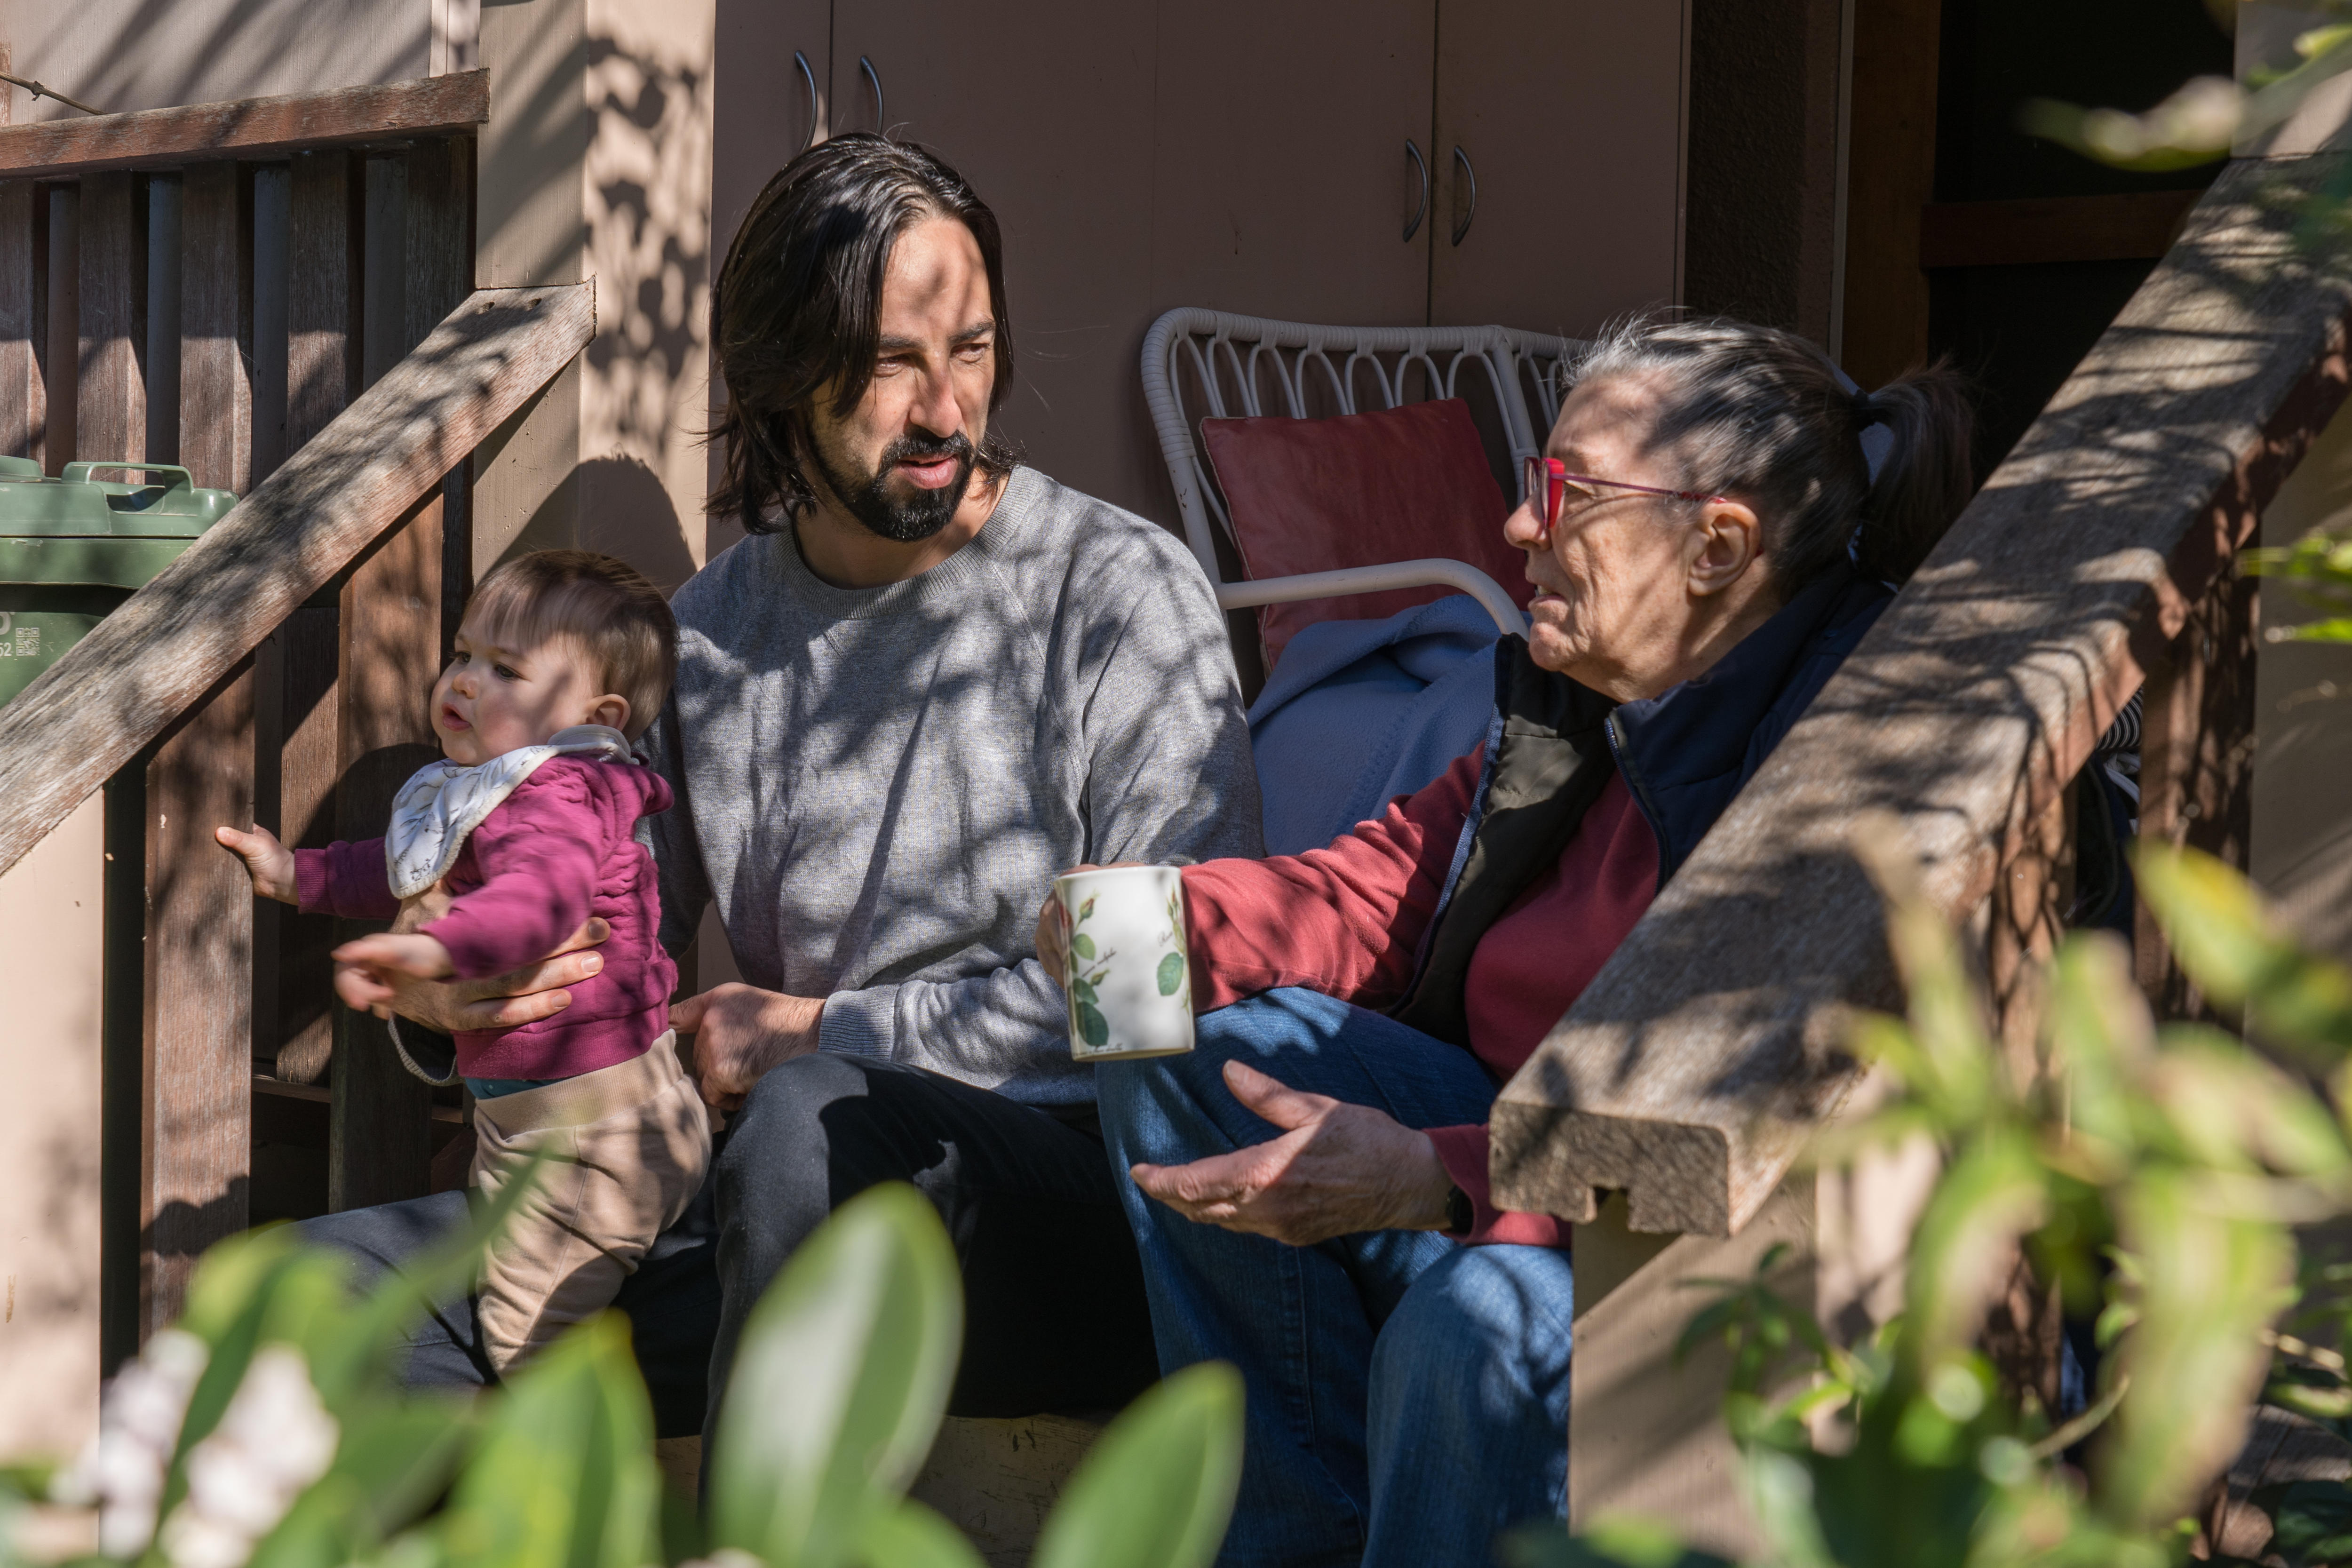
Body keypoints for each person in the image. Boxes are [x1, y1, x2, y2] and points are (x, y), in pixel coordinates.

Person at [295, 132, 1262, 1439]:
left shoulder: (1120, 599)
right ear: (783, 377)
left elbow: (1154, 1006)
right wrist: (463, 997)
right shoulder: (709, 634)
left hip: (1071, 1222)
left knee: (806, 1121)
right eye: (887, 365)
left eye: (968, 350)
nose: (943, 412)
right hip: (769, 1210)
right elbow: (596, 924)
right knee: (319, 1295)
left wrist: (820, 1032)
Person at [1035, 317, 1979, 1568]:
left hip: (1732, 1235)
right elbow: (1377, 894)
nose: (1520, 528)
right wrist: (1152, 923)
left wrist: (1441, 1175)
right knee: (1174, 1040)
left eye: (1565, 493)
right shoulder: (1580, 709)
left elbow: (1736, 1147)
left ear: (1717, 542)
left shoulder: (1842, 764)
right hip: (1520, 1143)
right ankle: (1287, 1539)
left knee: (1470, 1323)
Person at [221, 551, 707, 1372]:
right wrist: (298, 876)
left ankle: (556, 1488)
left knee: (524, 1345)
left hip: (584, 1140)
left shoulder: (557, 797)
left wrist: (437, 945)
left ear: (599, 712)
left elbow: (538, 904)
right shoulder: (492, 791)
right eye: (463, 654)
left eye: (505, 668)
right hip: (555, 1123)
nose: (466, 680)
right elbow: (397, 866)